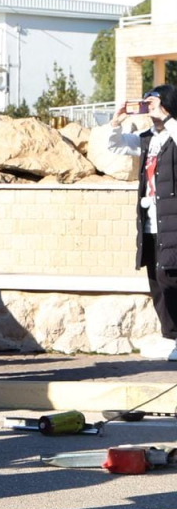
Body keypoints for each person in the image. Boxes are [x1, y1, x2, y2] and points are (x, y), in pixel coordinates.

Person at [108, 85, 177, 361]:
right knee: (155, 280)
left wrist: (168, 117)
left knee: (169, 276)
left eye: (154, 102)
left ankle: (175, 334)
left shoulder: (173, 133)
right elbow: (116, 145)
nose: (149, 107)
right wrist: (116, 121)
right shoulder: (149, 137)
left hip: (172, 222)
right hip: (150, 222)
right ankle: (169, 336)